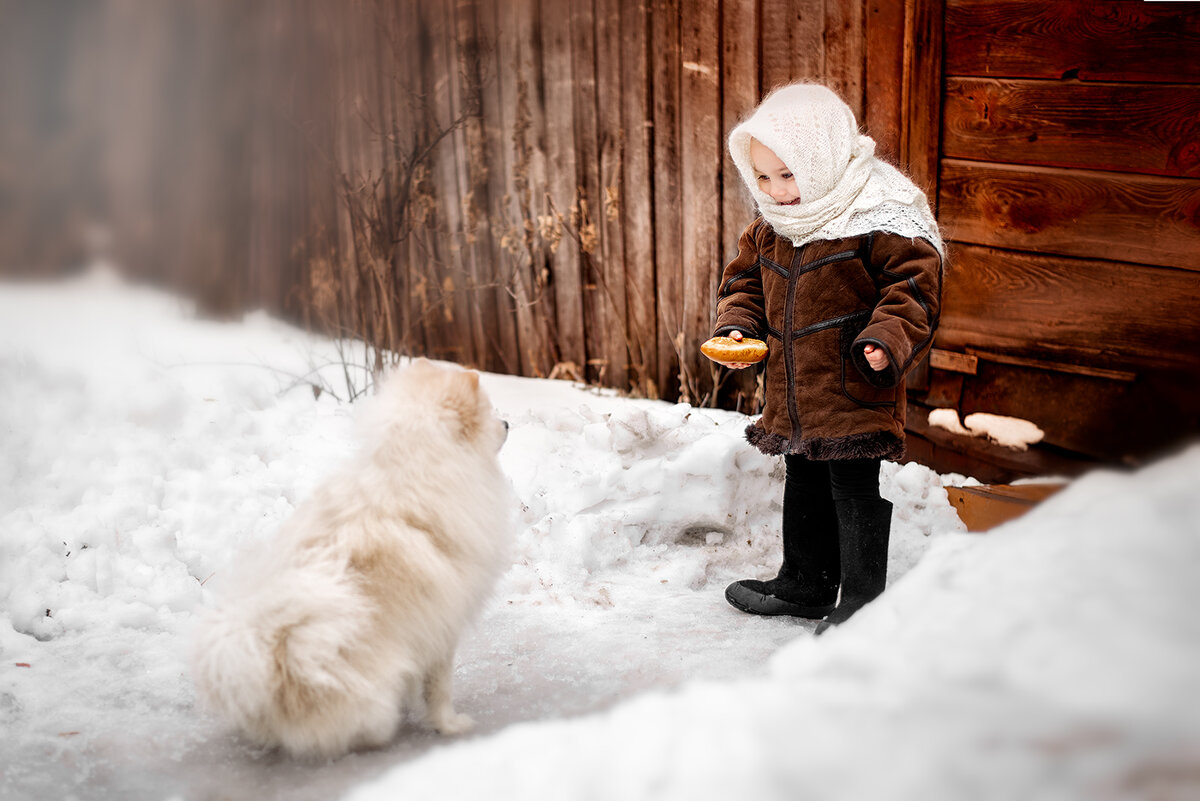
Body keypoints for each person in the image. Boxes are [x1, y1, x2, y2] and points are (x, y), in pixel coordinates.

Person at [714, 83, 944, 633]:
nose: (777, 190)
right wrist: (738, 325)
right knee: (803, 474)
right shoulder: (770, 229)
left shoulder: (879, 217)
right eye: (764, 177)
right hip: (796, 388)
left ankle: (863, 604)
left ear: (821, 157)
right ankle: (805, 583)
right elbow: (744, 284)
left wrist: (886, 339)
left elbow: (913, 288)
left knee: (852, 483)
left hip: (856, 380)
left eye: (789, 174)